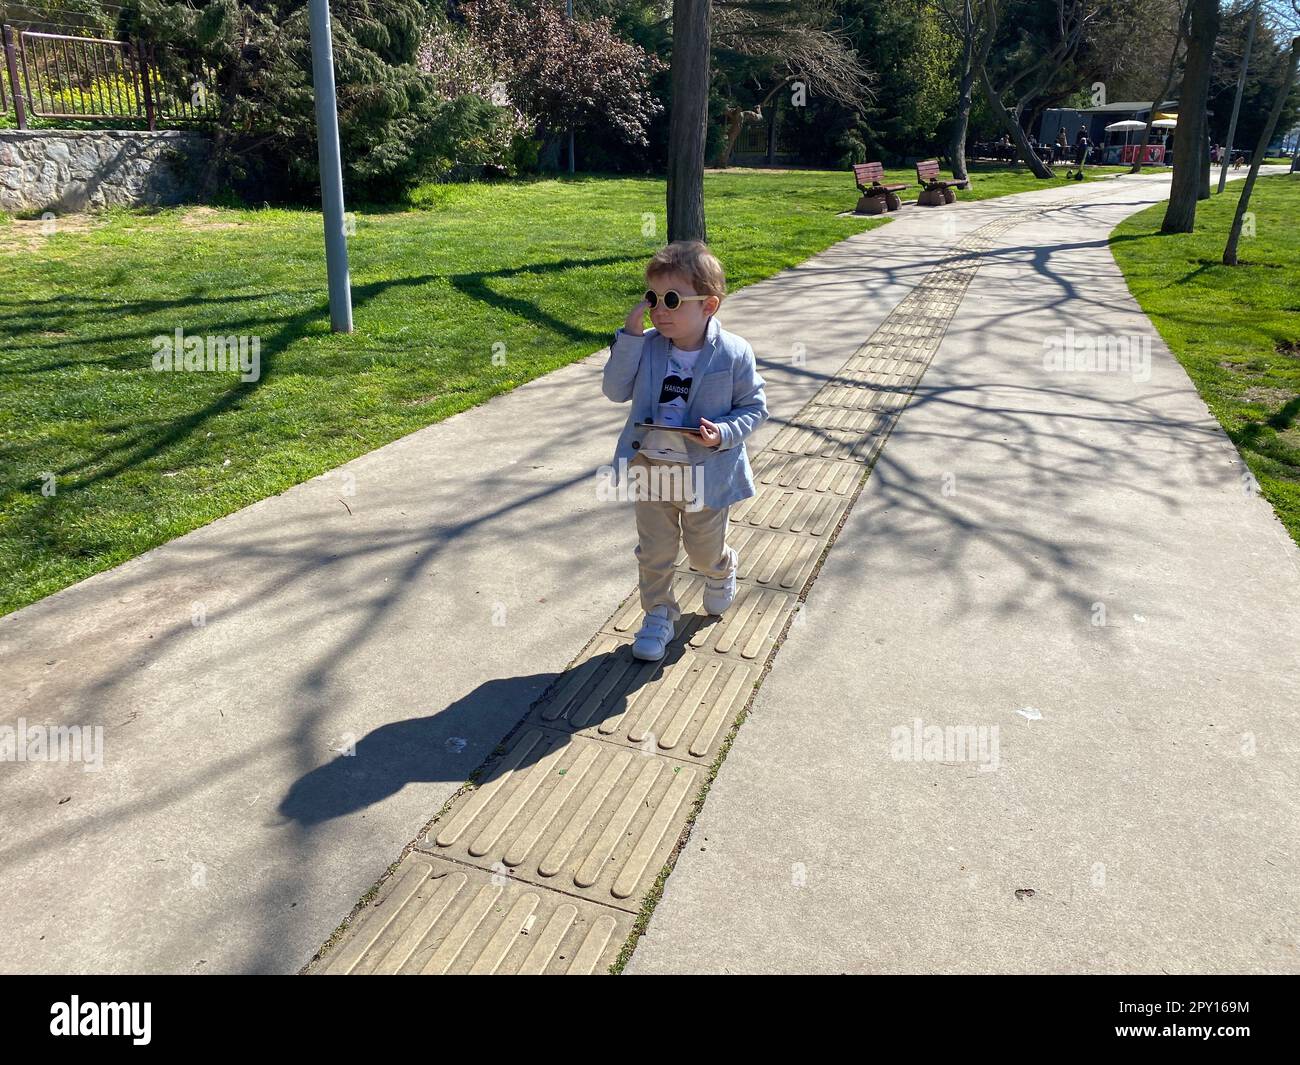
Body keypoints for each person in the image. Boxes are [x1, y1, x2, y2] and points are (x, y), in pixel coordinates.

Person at [603, 240, 769, 661]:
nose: (660, 309)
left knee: (701, 550)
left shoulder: (733, 353)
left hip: (705, 473)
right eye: (653, 298)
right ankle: (658, 614)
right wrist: (630, 339)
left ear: (708, 306)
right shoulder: (648, 345)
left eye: (672, 300)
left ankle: (720, 567)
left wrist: (723, 433)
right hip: (652, 467)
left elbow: (754, 407)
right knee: (654, 551)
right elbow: (614, 391)